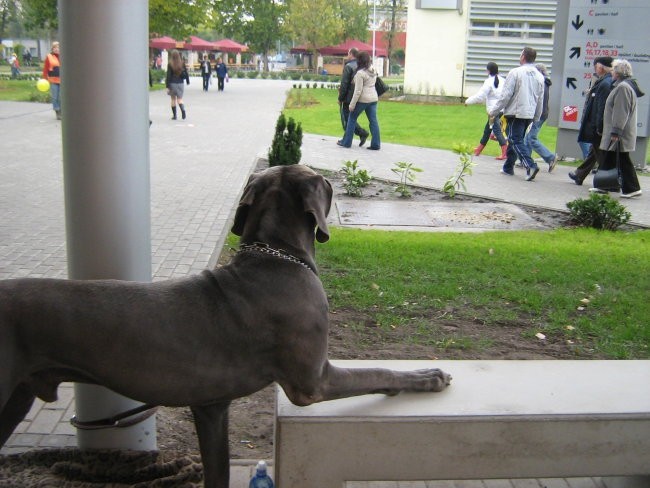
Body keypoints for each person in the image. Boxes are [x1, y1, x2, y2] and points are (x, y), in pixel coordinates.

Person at [489, 46, 545, 181]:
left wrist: (494, 111)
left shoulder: (515, 72)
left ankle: (530, 165)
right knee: (514, 139)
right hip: (529, 113)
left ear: (523, 57)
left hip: (516, 112)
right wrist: (537, 116)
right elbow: (540, 97)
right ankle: (508, 167)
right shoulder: (539, 75)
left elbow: (506, 95)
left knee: (515, 140)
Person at [591, 59, 643, 198]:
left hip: (619, 132)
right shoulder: (624, 86)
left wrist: (616, 131)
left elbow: (621, 111)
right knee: (610, 157)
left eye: (613, 69)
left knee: (622, 159)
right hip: (618, 131)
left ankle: (632, 188)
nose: (612, 72)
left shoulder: (623, 88)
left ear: (619, 72)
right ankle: (605, 185)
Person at [569, 57, 614, 185]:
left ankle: (611, 182)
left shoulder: (605, 83)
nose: (595, 70)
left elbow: (601, 107)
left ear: (600, 67)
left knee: (601, 154)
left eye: (595, 67)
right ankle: (580, 174)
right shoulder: (604, 81)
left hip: (597, 126)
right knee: (594, 151)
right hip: (597, 125)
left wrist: (598, 127)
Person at [337, 51, 380, 150]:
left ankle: (347, 142)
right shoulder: (373, 70)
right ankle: (376, 144)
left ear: (359, 61)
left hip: (363, 100)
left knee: (351, 118)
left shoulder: (360, 73)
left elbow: (358, 91)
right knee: (373, 121)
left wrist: (352, 105)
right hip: (373, 99)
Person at [464, 61, 507, 160]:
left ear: (488, 71)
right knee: (488, 130)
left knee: (496, 130)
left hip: (493, 111)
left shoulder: (488, 82)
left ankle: (505, 152)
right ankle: (479, 149)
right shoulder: (503, 80)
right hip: (502, 110)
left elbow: (480, 97)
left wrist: (468, 101)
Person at [524, 63, 556, 172]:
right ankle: (526, 159)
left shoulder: (541, 82)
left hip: (538, 114)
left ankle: (550, 157)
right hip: (542, 113)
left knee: (531, 138)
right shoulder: (545, 82)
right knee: (527, 137)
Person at [338, 47, 369, 147]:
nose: (347, 55)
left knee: (348, 118)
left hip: (349, 96)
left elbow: (345, 84)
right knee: (350, 118)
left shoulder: (349, 66)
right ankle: (347, 138)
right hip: (361, 96)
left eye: (348, 53)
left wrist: (340, 98)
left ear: (351, 54)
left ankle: (361, 133)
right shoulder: (362, 66)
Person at [165, 49, 189, 120]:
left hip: (173, 83)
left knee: (173, 99)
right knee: (180, 99)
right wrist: (187, 81)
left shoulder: (170, 64)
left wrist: (167, 86)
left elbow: (168, 76)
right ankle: (183, 111)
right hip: (180, 83)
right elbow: (186, 73)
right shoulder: (182, 63)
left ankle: (174, 115)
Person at [42, 42, 61, 120]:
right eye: (54, 48)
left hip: (62, 81)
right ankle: (57, 111)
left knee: (61, 97)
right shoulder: (49, 57)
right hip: (53, 80)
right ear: (52, 49)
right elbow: (46, 68)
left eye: (58, 47)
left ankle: (62, 111)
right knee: (55, 97)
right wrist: (44, 78)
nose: (56, 49)